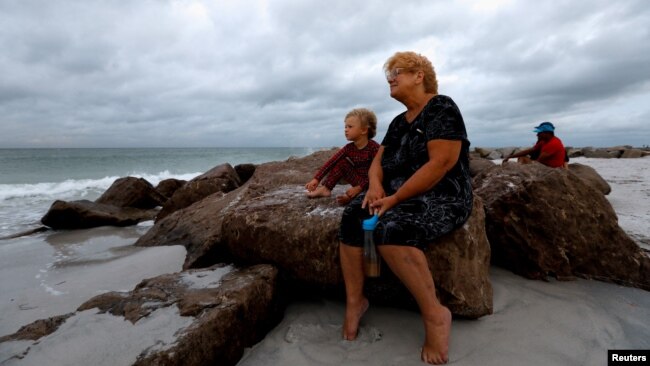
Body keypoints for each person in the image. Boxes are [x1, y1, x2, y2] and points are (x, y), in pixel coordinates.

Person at [338, 51, 473, 365]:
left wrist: (394, 200)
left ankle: (435, 314)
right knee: (352, 216)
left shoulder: (441, 107)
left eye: (397, 71)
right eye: (388, 74)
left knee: (390, 228)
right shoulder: (399, 122)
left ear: (419, 75)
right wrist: (374, 185)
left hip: (443, 194)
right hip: (400, 192)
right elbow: (378, 162)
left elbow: (442, 163)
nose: (391, 78)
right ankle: (355, 302)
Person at [305, 108, 380, 205]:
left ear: (364, 130)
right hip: (358, 181)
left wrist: (359, 187)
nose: (346, 130)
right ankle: (326, 188)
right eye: (345, 127)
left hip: (373, 184)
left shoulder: (374, 148)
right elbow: (331, 162)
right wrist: (317, 179)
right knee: (342, 163)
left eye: (350, 127)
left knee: (363, 191)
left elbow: (379, 175)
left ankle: (353, 197)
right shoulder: (349, 148)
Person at [502, 122, 568, 168]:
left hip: (550, 169)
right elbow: (530, 151)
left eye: (539, 133)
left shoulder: (553, 143)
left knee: (522, 161)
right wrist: (510, 156)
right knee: (522, 157)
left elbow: (537, 162)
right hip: (544, 165)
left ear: (547, 133)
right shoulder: (545, 141)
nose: (537, 135)